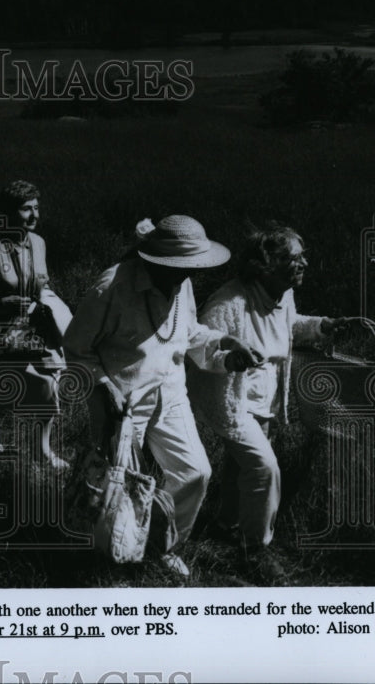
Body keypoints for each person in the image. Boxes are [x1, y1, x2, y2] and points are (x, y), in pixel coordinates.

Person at [63, 215, 261, 577]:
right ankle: (108, 563)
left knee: (196, 473)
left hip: (170, 393)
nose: (189, 275)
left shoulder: (180, 282)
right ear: (155, 259)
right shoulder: (111, 288)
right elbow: (75, 351)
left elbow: (187, 335)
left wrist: (224, 348)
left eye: (192, 267)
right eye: (181, 267)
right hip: (121, 403)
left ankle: (163, 546)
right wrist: (104, 388)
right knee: (114, 488)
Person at [188, 224, 349, 581]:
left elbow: (289, 325)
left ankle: (223, 525)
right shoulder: (228, 304)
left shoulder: (282, 294)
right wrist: (228, 358)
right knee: (265, 468)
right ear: (265, 265)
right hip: (232, 401)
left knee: (240, 466)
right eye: (294, 258)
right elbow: (201, 347)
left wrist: (323, 325)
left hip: (266, 400)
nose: (304, 263)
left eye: (302, 256)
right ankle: (255, 550)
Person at [0, 180, 72, 469]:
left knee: (49, 382)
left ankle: (42, 449)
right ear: (8, 212)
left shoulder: (39, 243)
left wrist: (44, 306)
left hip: (35, 325)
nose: (34, 215)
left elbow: (43, 281)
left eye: (37, 208)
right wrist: (2, 305)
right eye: (26, 209)